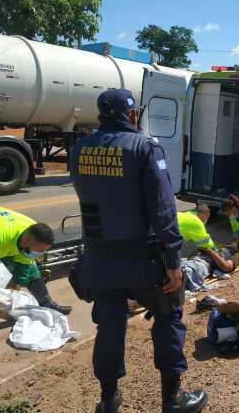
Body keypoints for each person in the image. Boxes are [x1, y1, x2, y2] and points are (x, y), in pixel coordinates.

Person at [69, 88, 207, 413]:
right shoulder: (145, 147)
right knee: (169, 317)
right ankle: (172, 400)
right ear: (133, 114)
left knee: (109, 326)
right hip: (143, 259)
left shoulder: (78, 149)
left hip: (100, 260)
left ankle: (108, 400)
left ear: (101, 115)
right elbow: (162, 208)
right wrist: (173, 259)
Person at [0, 207, 71, 358]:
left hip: (8, 235)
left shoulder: (32, 233)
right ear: (25, 240)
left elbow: (24, 264)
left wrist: (16, 286)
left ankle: (47, 303)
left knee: (32, 270)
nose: (36, 254)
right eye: (35, 251)